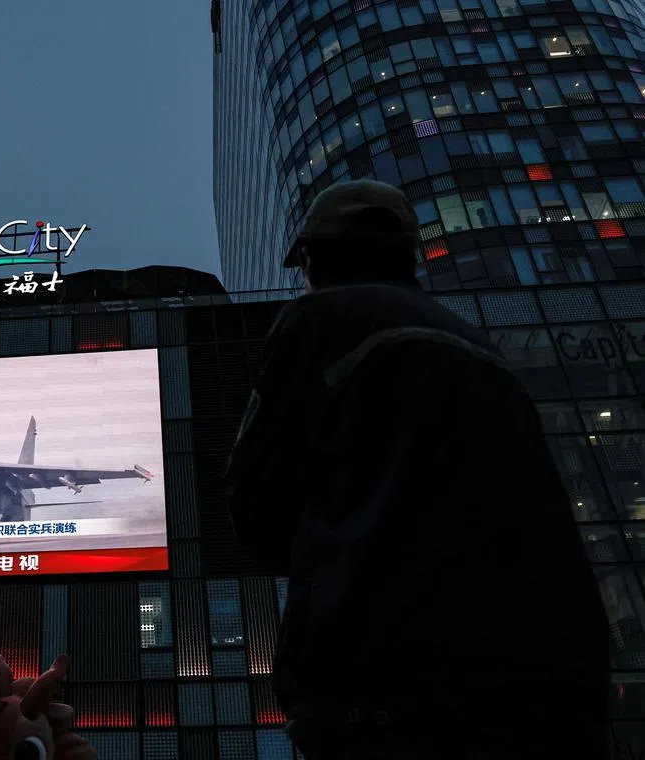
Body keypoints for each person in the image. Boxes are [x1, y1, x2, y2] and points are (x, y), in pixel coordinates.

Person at [224, 179, 610, 759]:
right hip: (553, 686)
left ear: (314, 256)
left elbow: (253, 502)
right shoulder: (485, 351)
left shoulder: (324, 318)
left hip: (394, 687)